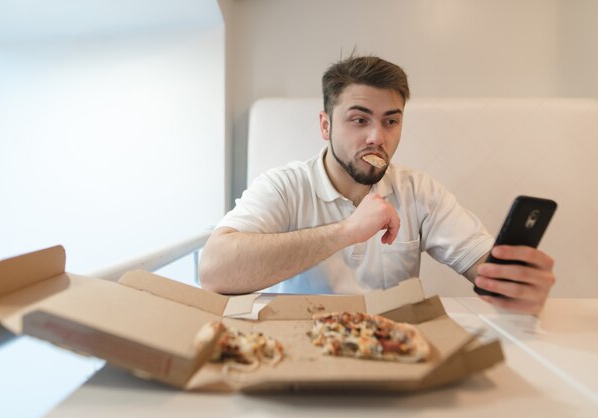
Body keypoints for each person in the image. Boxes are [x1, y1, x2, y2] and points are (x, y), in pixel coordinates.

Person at [199, 55, 555, 315]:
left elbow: (484, 266)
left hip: (393, 351)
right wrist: (347, 231)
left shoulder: (419, 192)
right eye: (359, 119)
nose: (376, 137)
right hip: (301, 347)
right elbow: (214, 271)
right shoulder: (284, 186)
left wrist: (517, 285)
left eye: (390, 121)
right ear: (325, 126)